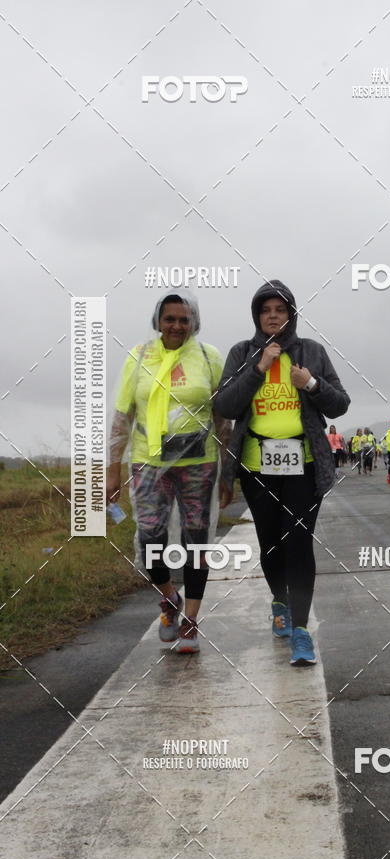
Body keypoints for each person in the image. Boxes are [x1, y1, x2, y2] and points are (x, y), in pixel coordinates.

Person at [215, 280, 350, 666]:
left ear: (291, 313)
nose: (273, 315)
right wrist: (259, 368)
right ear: (257, 315)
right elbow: (225, 404)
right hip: (257, 468)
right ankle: (280, 602)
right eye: (265, 309)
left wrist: (309, 383)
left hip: (303, 464)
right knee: (270, 543)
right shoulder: (242, 353)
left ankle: (303, 631)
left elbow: (340, 404)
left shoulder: (312, 351)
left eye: (280, 309)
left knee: (299, 543)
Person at [106, 292, 227, 654]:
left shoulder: (209, 357)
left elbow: (223, 418)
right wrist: (112, 470)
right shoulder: (139, 356)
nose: (176, 326)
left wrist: (229, 471)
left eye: (183, 319)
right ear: (158, 321)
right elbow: (122, 418)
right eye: (169, 319)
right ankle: (169, 598)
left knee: (196, 541)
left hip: (198, 464)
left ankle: (190, 621)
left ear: (195, 322)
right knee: (151, 539)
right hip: (148, 462)